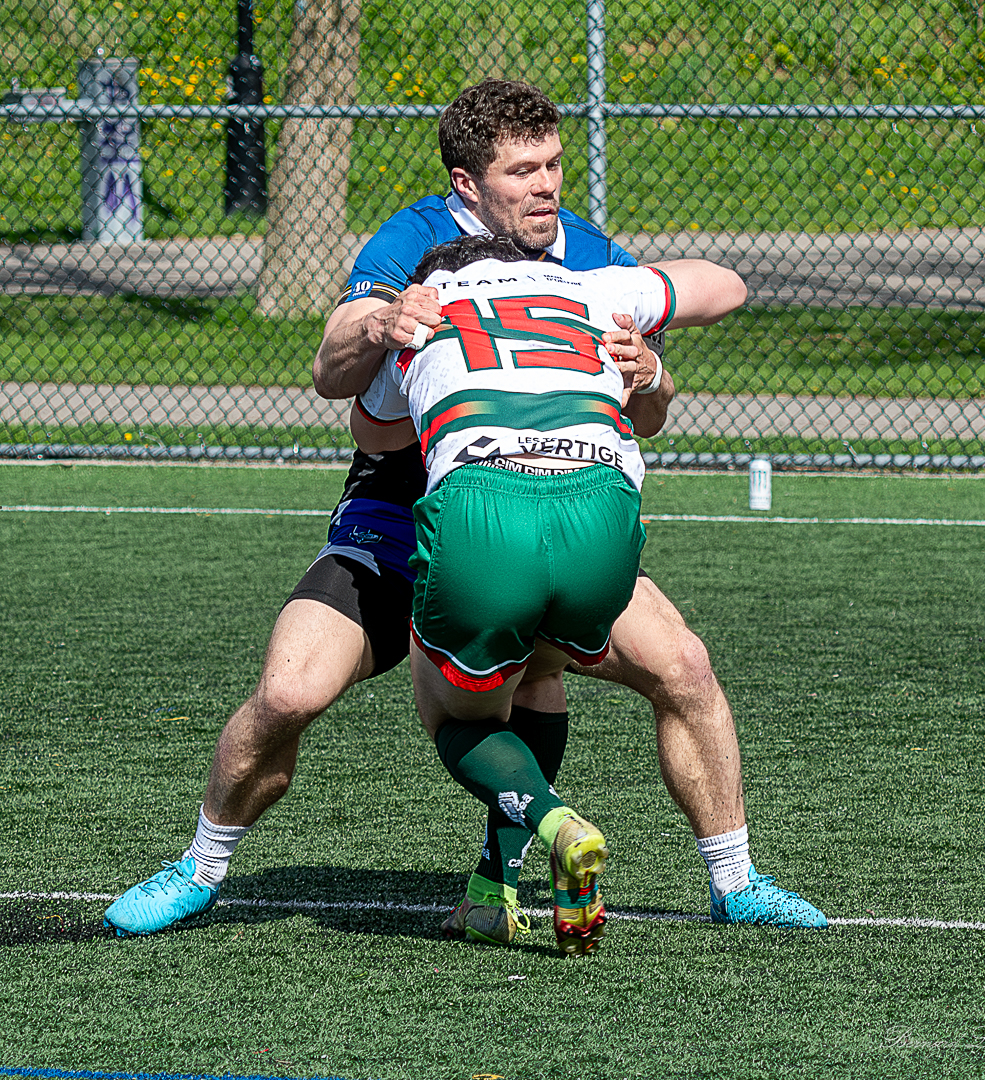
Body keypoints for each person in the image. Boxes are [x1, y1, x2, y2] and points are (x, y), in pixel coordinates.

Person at [103, 78, 824, 941]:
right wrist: (380, 322)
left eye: (555, 163)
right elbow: (336, 375)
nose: (547, 186)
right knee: (291, 691)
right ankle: (200, 868)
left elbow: (649, 414)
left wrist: (651, 376)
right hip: (398, 516)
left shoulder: (588, 253)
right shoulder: (414, 240)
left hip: (530, 500)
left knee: (684, 668)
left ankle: (725, 880)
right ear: (466, 185)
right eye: (522, 171)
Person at [359, 232, 745, 954]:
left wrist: (397, 336)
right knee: (540, 668)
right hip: (601, 511)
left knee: (455, 717)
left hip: (487, 508)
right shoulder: (590, 287)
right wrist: (648, 355)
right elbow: (726, 287)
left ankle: (557, 821)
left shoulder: (424, 309)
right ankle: (493, 890)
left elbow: (373, 433)